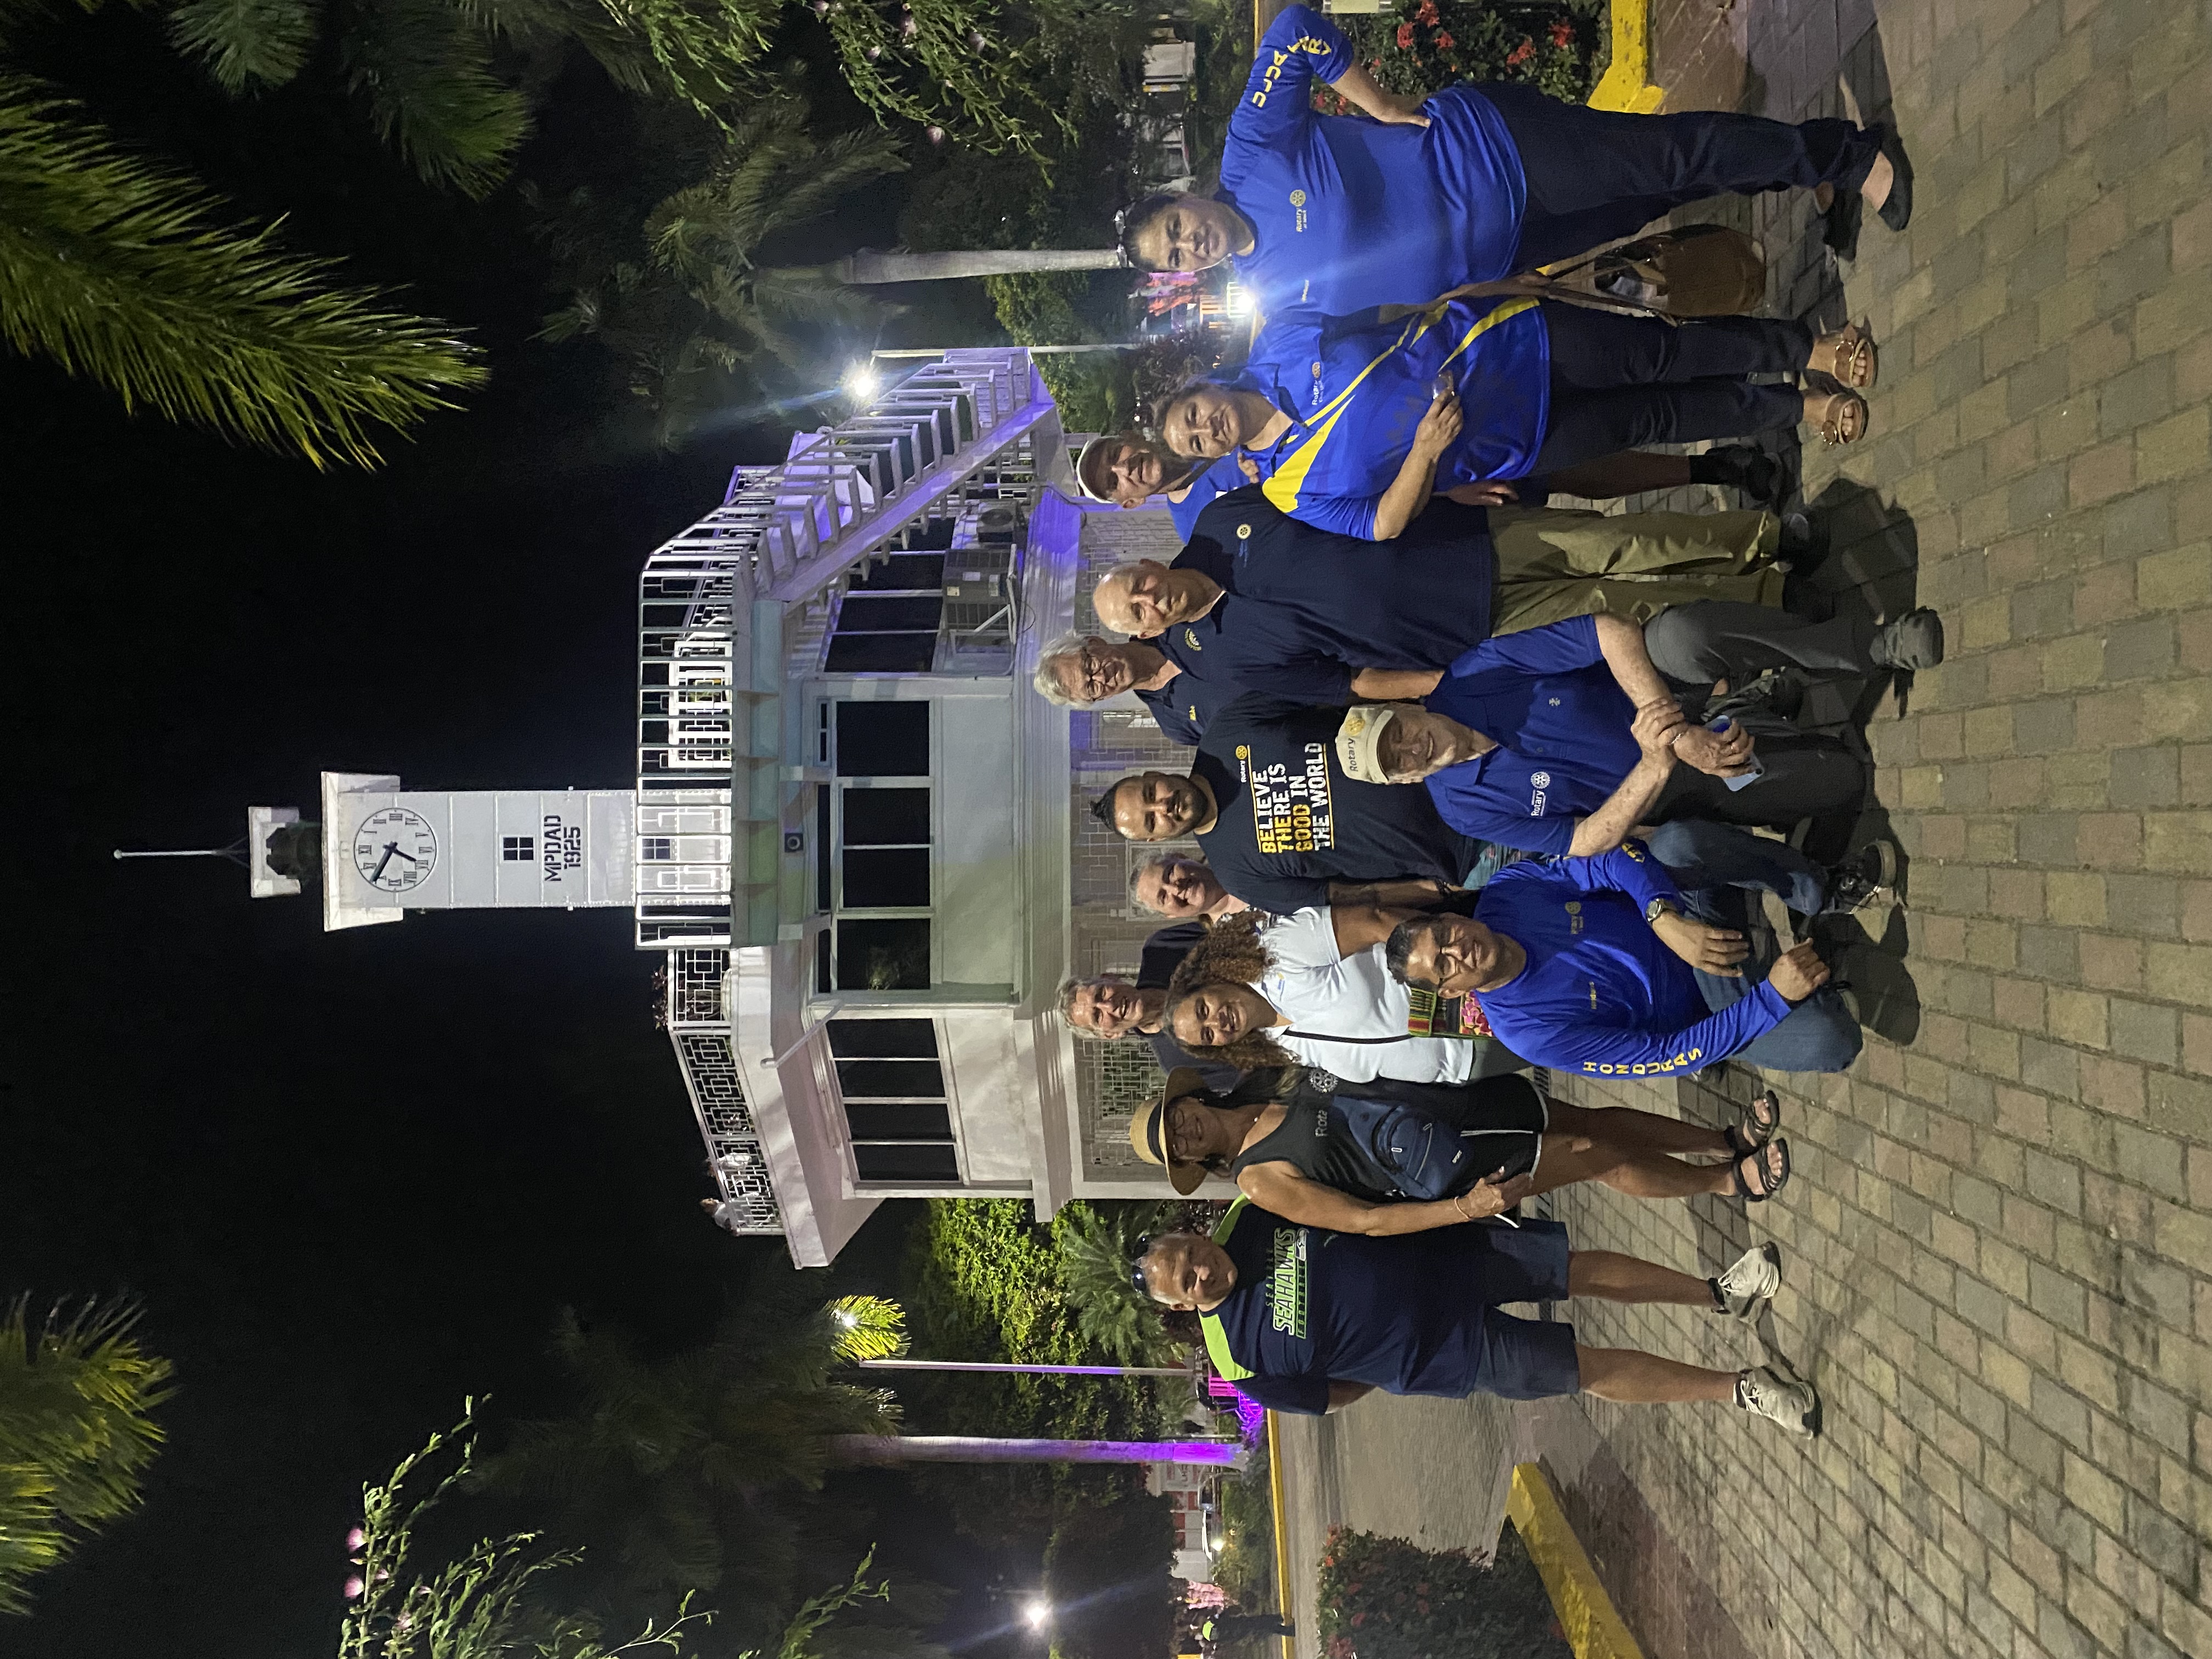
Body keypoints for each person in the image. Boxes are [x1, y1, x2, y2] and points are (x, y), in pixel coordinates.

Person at [1116, 3, 1906, 319]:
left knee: (1669, 154)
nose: (1191, 245)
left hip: (1497, 151)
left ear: (1185, 199)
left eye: (1177, 228)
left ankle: (1848, 152)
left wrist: (1383, 105)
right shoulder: (1264, 294)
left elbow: (1292, 30)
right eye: (1177, 256)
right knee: (1656, 196)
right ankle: (1806, 169)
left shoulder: (1251, 154)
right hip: (1512, 248)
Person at [1156, 298, 1874, 539]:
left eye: (1193, 413)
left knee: (1664, 352)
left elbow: (1386, 303)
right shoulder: (1286, 489)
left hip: (1505, 341)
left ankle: (1813, 346)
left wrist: (1473, 295)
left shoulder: (1278, 341)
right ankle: (1799, 405)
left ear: (1204, 386)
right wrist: (1427, 461)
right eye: (1194, 440)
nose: (1204, 428)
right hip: (1511, 441)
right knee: (1659, 415)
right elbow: (1379, 524)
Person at [1135, 1200, 1821, 1434]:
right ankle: (1741, 1388)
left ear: (1194, 1235)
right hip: (1447, 1355)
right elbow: (1332, 1397)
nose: (1203, 1271)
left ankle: (1719, 1295)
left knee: (1575, 1269)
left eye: (1192, 1254)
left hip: (1451, 1255)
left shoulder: (1250, 1215)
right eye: (1187, 1284)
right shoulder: (1239, 1363)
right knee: (1585, 1369)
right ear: (1178, 1308)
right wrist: (1388, 1358)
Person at [1087, 493, 1801, 709]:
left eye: (1138, 586)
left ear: (1147, 562)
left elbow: (1338, 485)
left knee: (1623, 541)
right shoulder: (1227, 661)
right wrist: (1446, 686)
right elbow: (1349, 683)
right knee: (1624, 607)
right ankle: (1765, 596)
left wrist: (1445, 485)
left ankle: (1763, 532)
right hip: (1462, 629)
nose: (1149, 602)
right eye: (1138, 614)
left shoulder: (1221, 521)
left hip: (1460, 539)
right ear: (1143, 633)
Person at [1324, 604, 1943, 852]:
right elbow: (1584, 841)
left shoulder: (1474, 672)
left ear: (1406, 707)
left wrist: (1672, 733)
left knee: (1680, 634)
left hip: (1658, 688)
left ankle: (1872, 647)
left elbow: (1609, 631)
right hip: (1667, 785)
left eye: (1396, 732)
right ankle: (1756, 711)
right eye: (1396, 762)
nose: (1410, 749)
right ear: (1405, 782)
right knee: (1839, 778)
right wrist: (1661, 765)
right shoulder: (1462, 809)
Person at [1384, 836, 1867, 1080]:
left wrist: (1664, 918)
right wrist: (1771, 1001)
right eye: (1444, 964)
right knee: (1833, 1039)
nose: (1458, 949)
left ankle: (1816, 889)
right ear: (1451, 991)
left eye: (1445, 934)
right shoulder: (1529, 1035)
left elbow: (1610, 859)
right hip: (1707, 1002)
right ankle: (1805, 992)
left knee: (1678, 845)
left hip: (1686, 916)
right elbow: (1664, 1057)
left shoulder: (1506, 891)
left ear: (1451, 916)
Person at [1127, 1063, 1791, 1215]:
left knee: (1594, 1124)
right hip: (1451, 1162)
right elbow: (1362, 1223)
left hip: (1453, 1102)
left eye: (1172, 1116)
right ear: (1189, 1160)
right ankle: (1726, 1181)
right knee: (1594, 1159)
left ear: (1185, 1097)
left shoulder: (1263, 1076)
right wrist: (1457, 1211)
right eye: (1172, 1145)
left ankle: (1722, 1138)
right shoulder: (1257, 1178)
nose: (1180, 1130)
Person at [1092, 693, 1491, 915]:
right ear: (1155, 838)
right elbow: (1345, 896)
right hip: (1468, 852)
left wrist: (1426, 700)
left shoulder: (1228, 729)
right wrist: (1433, 888)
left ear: (1152, 775)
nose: (1163, 807)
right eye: (1151, 821)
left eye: (1150, 794)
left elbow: (1342, 689)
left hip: (1451, 755)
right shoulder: (1239, 877)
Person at [1158, 903, 1523, 1085]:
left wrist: (1452, 963)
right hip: (1465, 1063)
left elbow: (1377, 922)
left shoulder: (1275, 953)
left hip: (1474, 997)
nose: (1217, 1022)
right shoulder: (1272, 1045)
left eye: (1204, 1008)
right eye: (1208, 1035)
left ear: (1209, 980)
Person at [1056, 923, 1242, 1088]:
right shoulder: (1178, 1065)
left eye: (1101, 993)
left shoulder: (1162, 948)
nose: (1109, 1006)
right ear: (1110, 1035)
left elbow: (1234, 928)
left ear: (1110, 978)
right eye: (1098, 1016)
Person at [1130, 854, 1250, 923]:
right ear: (1171, 915)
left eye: (1170, 874)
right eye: (1164, 897)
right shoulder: (1233, 950)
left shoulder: (1244, 851)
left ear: (1180, 856)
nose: (1176, 889)